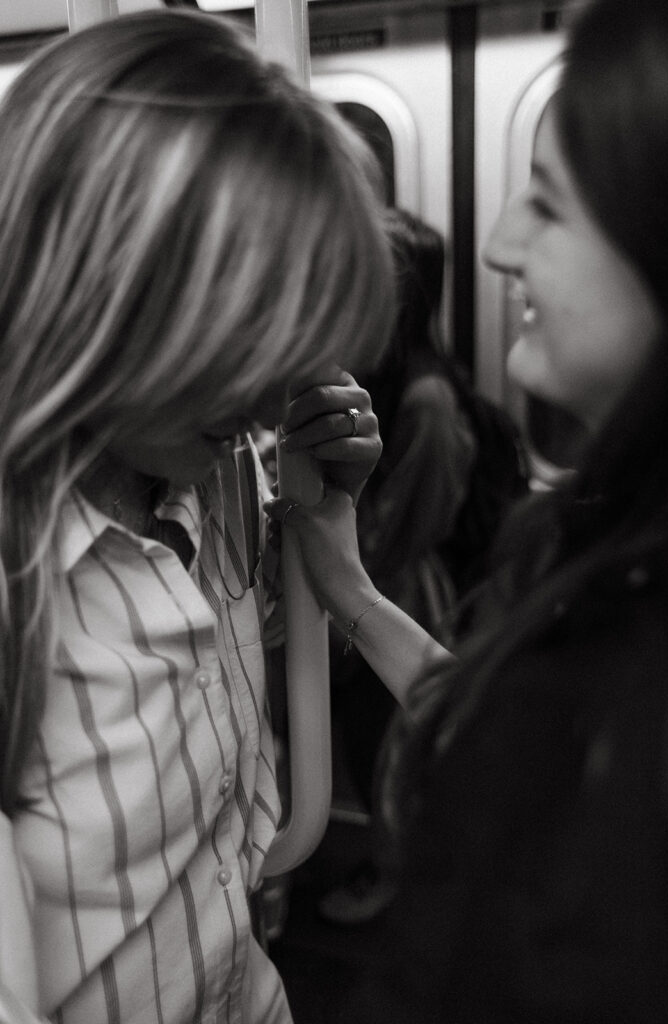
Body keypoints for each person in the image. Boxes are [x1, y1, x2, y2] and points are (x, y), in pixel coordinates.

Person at [267, 0, 668, 1018]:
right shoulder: (616, 534)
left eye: (543, 205)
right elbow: (506, 730)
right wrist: (345, 581)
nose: (499, 246)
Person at [0, 11, 395, 1024]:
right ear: (96, 301)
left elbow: (217, 672)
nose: (270, 404)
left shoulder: (218, 471)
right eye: (236, 353)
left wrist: (322, 539)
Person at [318, 208, 477, 925]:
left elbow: (409, 526)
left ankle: (394, 875)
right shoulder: (375, 381)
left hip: (402, 588)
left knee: (389, 750)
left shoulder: (428, 401)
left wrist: (344, 582)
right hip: (369, 583)